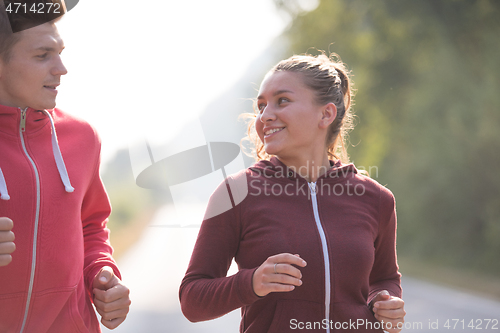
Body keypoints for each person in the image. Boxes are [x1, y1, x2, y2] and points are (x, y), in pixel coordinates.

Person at [180, 53, 406, 332]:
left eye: (282, 101)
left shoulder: (376, 198)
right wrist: (252, 283)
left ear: (326, 114)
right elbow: (192, 298)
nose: (264, 116)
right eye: (261, 106)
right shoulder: (237, 193)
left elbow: (384, 278)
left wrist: (385, 300)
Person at [0, 1, 130, 331]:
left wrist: (102, 274)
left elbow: (90, 227)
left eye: (59, 52)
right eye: (43, 55)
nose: (61, 68)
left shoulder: (82, 138)